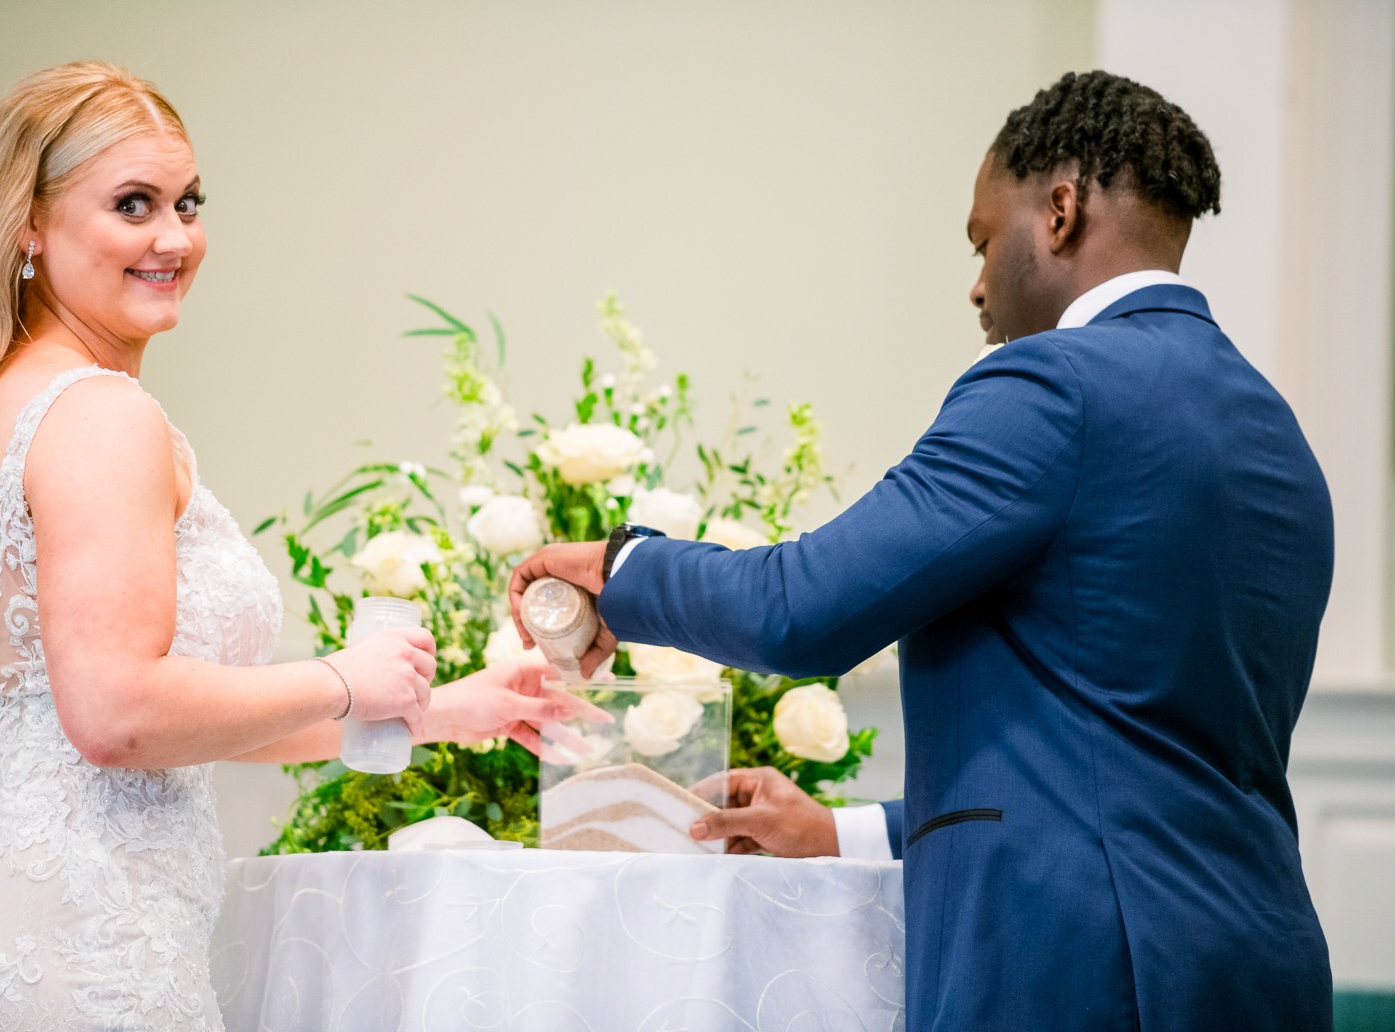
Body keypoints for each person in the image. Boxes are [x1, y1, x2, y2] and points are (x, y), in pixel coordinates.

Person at [510, 70, 1333, 1031]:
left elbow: (804, 608)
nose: (978, 284)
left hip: (1082, 972)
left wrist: (624, 569)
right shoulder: (1279, 437)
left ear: (1059, 210)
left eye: (985, 240)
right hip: (1259, 962)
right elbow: (1147, 753)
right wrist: (836, 833)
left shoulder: (1051, 386)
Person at [0, 61, 581, 1031]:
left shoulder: (29, 393)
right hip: (78, 954)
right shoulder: (97, 415)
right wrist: (343, 677)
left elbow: (163, 721)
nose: (175, 237)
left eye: (188, 202)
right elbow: (116, 715)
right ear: (26, 227)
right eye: (133, 205)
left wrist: (438, 710)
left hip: (30, 924)